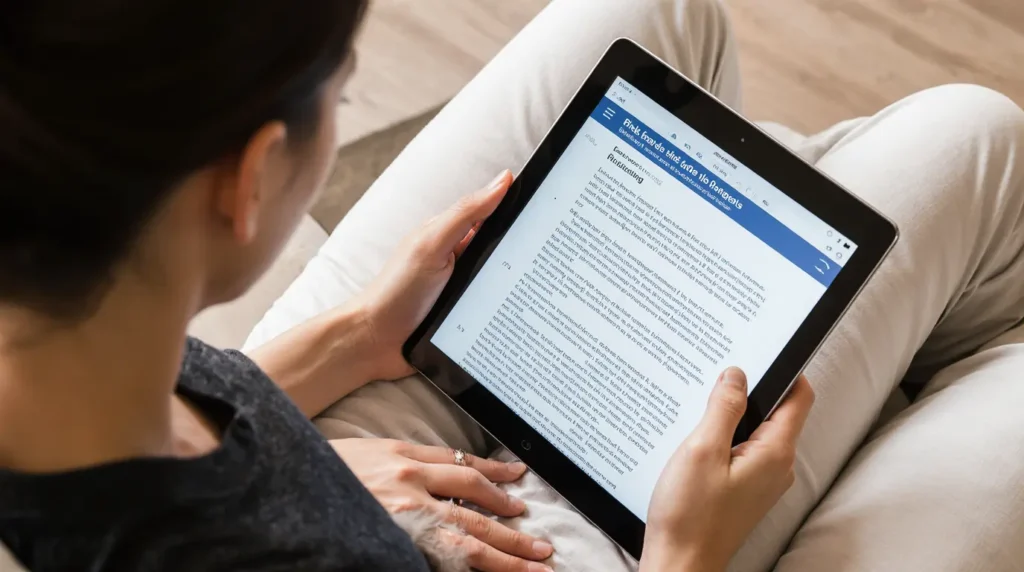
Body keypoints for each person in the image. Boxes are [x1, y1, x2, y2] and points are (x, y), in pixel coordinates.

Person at [1, 0, 1022, 570]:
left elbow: (140, 461)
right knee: (979, 142)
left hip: (310, 446)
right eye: (338, 96)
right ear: (250, 177)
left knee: (653, 13)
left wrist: (358, 335)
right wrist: (683, 556)